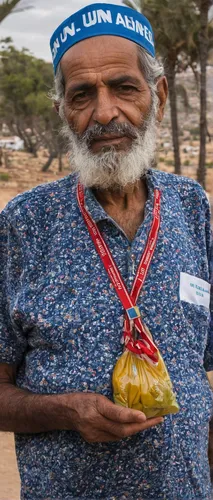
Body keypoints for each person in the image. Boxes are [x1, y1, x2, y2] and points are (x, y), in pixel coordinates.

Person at [0, 3, 212, 499]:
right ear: (62, 111)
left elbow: (202, 379)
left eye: (124, 87)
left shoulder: (192, 208)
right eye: (82, 95)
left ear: (157, 95)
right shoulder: (23, 224)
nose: (104, 113)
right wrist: (67, 412)